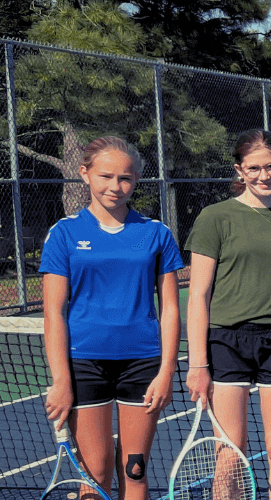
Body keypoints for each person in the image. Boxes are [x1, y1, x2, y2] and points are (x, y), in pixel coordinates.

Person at [41, 136, 183, 500]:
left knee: (134, 470)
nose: (115, 187)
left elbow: (169, 308)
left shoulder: (156, 233)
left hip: (143, 364)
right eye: (106, 176)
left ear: (136, 181)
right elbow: (54, 313)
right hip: (84, 364)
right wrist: (60, 380)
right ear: (84, 174)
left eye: (125, 178)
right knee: (96, 473)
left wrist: (167, 370)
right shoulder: (64, 233)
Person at [184, 129, 271, 500]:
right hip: (227, 341)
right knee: (230, 452)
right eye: (254, 168)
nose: (263, 175)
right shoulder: (215, 218)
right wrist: (197, 364)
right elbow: (198, 294)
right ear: (239, 170)